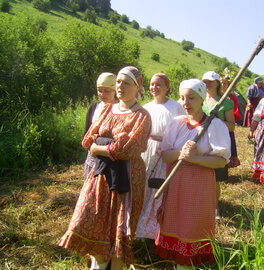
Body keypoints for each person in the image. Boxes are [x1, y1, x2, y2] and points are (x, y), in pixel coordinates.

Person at [59, 66, 152, 270]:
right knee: (90, 217)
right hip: (100, 175)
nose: (120, 86)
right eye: (118, 81)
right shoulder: (108, 109)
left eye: (126, 82)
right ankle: (100, 265)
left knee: (119, 229)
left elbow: (127, 149)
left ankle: (115, 266)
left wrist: (100, 146)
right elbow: (87, 139)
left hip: (127, 178)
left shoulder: (142, 115)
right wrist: (108, 145)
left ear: (137, 87)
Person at [155, 78, 231, 269]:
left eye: (191, 98)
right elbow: (164, 156)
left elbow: (221, 161)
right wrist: (182, 153)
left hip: (199, 186)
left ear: (202, 98)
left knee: (192, 229)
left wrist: (196, 158)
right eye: (182, 98)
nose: (185, 103)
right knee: (175, 225)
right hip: (176, 184)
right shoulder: (176, 123)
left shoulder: (214, 126)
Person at [136, 73, 185, 261]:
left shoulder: (176, 107)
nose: (154, 87)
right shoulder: (145, 107)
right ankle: (140, 233)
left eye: (159, 84)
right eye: (152, 84)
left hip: (166, 155)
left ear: (167, 87)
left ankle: (156, 240)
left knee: (159, 195)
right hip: (145, 153)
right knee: (144, 192)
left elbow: (183, 130)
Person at [202, 71, 235, 220]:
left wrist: (215, 122)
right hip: (200, 141)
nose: (207, 84)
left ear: (217, 83)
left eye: (210, 81)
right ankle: (199, 204)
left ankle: (214, 209)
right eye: (205, 81)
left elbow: (232, 126)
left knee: (214, 177)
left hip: (217, 142)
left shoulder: (225, 102)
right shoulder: (199, 98)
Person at [83, 72, 118, 181]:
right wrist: (92, 149)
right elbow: (87, 132)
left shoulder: (120, 109)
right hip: (93, 153)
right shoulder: (94, 107)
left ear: (115, 90)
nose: (103, 94)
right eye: (100, 91)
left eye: (107, 91)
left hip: (111, 156)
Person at [220, 75, 241, 168]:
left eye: (225, 83)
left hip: (227, 126)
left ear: (229, 85)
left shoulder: (231, 97)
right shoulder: (213, 95)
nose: (222, 85)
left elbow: (236, 111)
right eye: (221, 83)